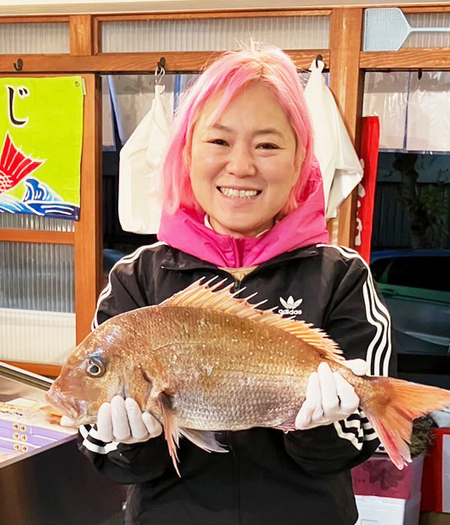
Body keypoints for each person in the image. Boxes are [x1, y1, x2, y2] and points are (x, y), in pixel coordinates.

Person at [78, 45, 395, 525]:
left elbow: (350, 446)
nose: (241, 166)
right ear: (187, 153)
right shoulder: (136, 278)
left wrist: (318, 427)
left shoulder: (342, 275)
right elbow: (114, 460)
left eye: (267, 144)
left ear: (299, 162)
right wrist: (127, 443)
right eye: (219, 141)